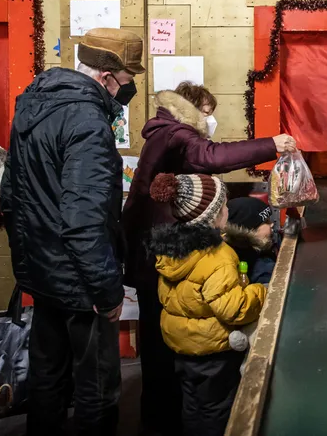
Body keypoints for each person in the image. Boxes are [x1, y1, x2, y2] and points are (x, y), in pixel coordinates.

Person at [122, 81, 295, 434]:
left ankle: (166, 420)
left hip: (155, 252)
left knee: (164, 348)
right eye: (206, 113)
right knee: (164, 354)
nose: (209, 121)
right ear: (190, 108)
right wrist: (271, 144)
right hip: (160, 252)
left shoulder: (164, 133)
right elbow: (211, 156)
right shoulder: (176, 133)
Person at [1, 27, 145, 436]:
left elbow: (11, 194)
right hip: (81, 282)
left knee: (47, 377)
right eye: (128, 81)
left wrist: (28, 264)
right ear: (106, 76)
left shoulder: (34, 103)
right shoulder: (87, 119)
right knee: (96, 389)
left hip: (42, 273)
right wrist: (106, 292)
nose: (128, 91)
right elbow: (84, 220)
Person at [147, 173, 266, 436]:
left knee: (192, 406)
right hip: (214, 353)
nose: (227, 210)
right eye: (224, 205)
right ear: (214, 216)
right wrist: (260, 292)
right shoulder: (218, 256)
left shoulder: (171, 250)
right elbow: (234, 309)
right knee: (218, 410)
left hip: (182, 349)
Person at [224, 197, 279, 286]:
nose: (272, 224)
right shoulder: (262, 269)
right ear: (251, 231)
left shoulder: (233, 248)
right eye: (266, 222)